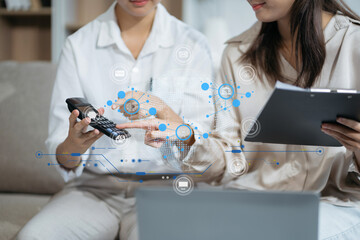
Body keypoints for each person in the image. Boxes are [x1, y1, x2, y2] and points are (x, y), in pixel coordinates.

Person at [125, 0, 359, 239]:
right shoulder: (237, 53)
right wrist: (187, 135)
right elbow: (228, 162)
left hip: (335, 206)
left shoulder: (354, 44)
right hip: (251, 200)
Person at [17, 0, 218, 239]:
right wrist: (73, 145)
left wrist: (162, 110)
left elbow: (203, 145)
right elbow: (63, 158)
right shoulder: (78, 45)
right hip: (93, 189)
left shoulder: (193, 44)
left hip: (167, 188)